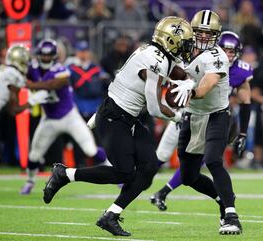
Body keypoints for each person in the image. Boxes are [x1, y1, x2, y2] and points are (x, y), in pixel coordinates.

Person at [42, 16, 194, 236]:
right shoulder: (155, 60)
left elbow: (180, 71)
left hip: (126, 117)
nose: (185, 48)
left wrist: (188, 81)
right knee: (123, 172)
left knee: (149, 166)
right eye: (184, 42)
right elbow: (154, 108)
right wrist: (179, 117)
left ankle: (111, 215)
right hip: (115, 117)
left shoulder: (157, 54)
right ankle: (65, 174)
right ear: (171, 40)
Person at [151, 31, 252, 215]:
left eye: (232, 52)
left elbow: (245, 101)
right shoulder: (201, 58)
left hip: (215, 116)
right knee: (169, 158)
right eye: (225, 50)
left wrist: (243, 132)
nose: (228, 55)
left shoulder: (240, 70)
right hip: (186, 115)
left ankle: (227, 208)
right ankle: (141, 186)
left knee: (212, 160)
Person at [167, 10, 243, 235]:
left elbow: (206, 86)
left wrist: (192, 89)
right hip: (191, 117)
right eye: (199, 32)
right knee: (189, 176)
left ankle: (232, 215)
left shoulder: (218, 56)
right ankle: (223, 198)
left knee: (213, 161)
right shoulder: (182, 50)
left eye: (208, 33)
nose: (202, 37)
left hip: (216, 115)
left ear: (216, 35)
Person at [20, 39, 108, 195]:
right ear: (39, 55)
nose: (46, 58)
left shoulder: (61, 69)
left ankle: (115, 172)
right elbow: (21, 74)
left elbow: (52, 85)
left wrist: (30, 85)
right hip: (49, 119)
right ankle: (29, 182)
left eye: (49, 55)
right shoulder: (32, 68)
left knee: (90, 149)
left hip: (69, 117)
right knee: (34, 155)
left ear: (55, 56)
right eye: (43, 55)